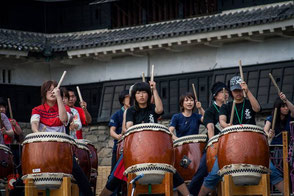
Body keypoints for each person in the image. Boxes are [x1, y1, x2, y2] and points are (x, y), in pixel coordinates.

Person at [198, 76, 284, 195]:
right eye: (235, 91)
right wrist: (227, 125)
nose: (238, 93)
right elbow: (222, 121)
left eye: (240, 90)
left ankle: (288, 193)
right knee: (213, 176)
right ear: (231, 91)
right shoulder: (226, 106)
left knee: (273, 172)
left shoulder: (249, 103)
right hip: (231, 149)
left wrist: (248, 91)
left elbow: (257, 108)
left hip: (253, 148)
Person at [30, 80, 93, 196]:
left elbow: (64, 119)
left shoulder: (66, 109)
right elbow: (34, 125)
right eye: (49, 90)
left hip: (62, 151)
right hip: (42, 150)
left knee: (80, 176)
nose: (52, 92)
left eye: (54, 89)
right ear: (44, 92)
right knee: (25, 174)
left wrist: (59, 97)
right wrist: (39, 134)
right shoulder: (37, 109)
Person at [188, 82, 229, 196]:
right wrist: (212, 146)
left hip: (230, 145)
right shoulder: (211, 110)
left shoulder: (231, 107)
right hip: (214, 144)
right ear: (215, 95)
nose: (225, 94)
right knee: (201, 171)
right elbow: (210, 127)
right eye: (222, 92)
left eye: (227, 92)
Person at [109, 90, 130, 171]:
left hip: (132, 146)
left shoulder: (135, 112)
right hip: (119, 147)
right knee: (114, 173)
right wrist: (118, 136)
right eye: (128, 97)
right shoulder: (117, 115)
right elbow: (112, 131)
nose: (130, 99)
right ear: (122, 100)